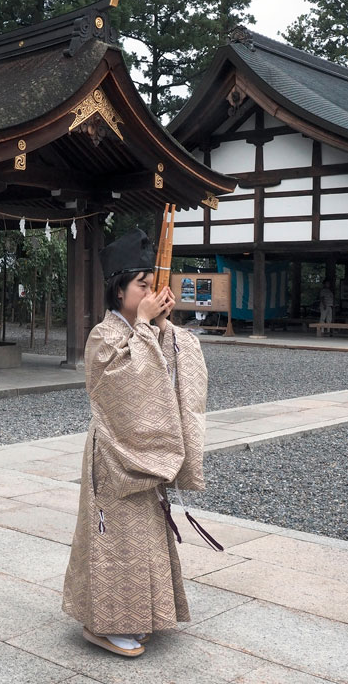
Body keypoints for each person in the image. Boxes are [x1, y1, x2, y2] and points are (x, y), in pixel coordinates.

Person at [62, 228, 209, 657]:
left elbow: (179, 368)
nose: (150, 293)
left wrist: (161, 326)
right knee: (116, 537)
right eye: (142, 286)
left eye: (152, 285)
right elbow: (126, 386)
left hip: (147, 449)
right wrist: (146, 326)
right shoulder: (102, 335)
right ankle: (103, 623)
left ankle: (140, 614)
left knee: (143, 534)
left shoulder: (145, 329)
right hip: (113, 451)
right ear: (119, 290)